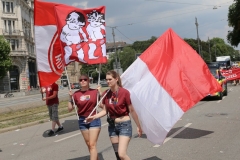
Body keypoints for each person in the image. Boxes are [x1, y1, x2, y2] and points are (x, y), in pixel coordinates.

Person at [86, 70, 142, 160]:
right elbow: (105, 111)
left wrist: (138, 125)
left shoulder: (124, 92)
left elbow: (131, 110)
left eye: (110, 79)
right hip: (112, 126)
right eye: (106, 79)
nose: (108, 81)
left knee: (122, 154)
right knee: (118, 156)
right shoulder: (106, 94)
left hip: (124, 125)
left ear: (116, 79)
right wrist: (94, 117)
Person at [68, 74, 102, 160]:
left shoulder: (94, 92)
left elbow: (101, 105)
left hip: (94, 118)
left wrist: (100, 92)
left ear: (88, 81)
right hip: (82, 120)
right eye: (81, 80)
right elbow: (70, 109)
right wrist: (70, 97)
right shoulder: (76, 94)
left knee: (92, 144)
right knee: (89, 144)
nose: (83, 81)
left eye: (85, 79)